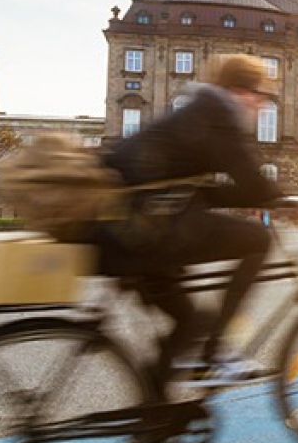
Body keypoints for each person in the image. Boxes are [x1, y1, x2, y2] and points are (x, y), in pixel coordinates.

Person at [98, 53, 283, 397]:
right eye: (259, 93)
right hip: (143, 231)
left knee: (188, 325)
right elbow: (251, 182)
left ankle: (154, 427)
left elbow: (203, 192)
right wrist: (279, 196)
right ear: (241, 90)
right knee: (257, 240)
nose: (261, 103)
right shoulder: (218, 115)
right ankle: (215, 353)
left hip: (126, 229)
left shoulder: (199, 110)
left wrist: (254, 195)